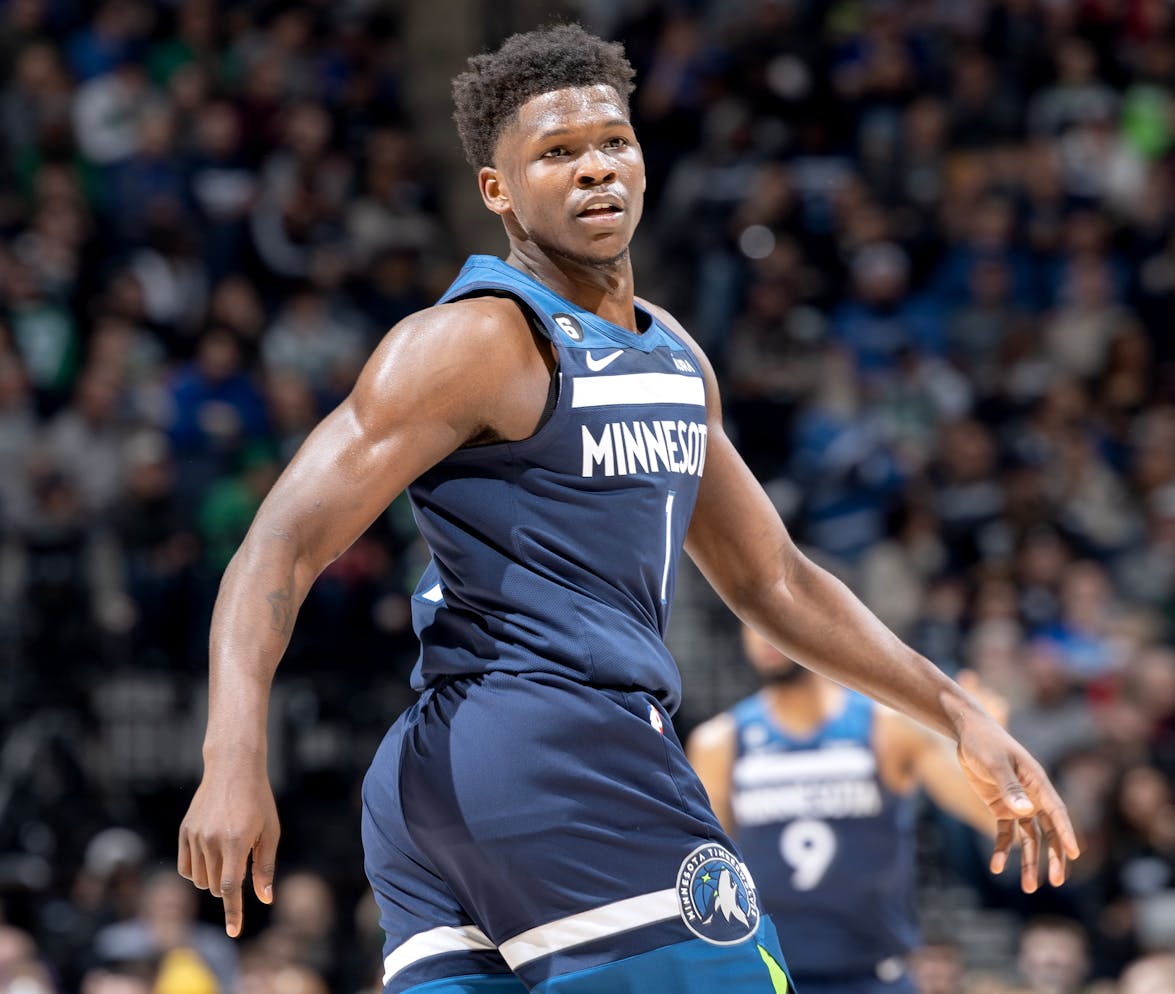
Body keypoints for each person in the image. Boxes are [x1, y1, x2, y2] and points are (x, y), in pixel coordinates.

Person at [176, 24, 1078, 994]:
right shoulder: (478, 341)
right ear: (496, 190)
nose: (596, 170)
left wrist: (953, 711)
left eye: (613, 143)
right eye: (557, 155)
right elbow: (279, 543)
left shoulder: (675, 357)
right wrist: (231, 754)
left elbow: (773, 580)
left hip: (443, 791)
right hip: (556, 747)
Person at [687, 627, 1000, 993]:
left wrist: (990, 757)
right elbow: (706, 873)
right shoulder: (718, 743)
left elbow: (995, 817)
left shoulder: (889, 727)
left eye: (772, 617)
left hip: (874, 975)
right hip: (768, 977)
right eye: (748, 620)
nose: (762, 635)